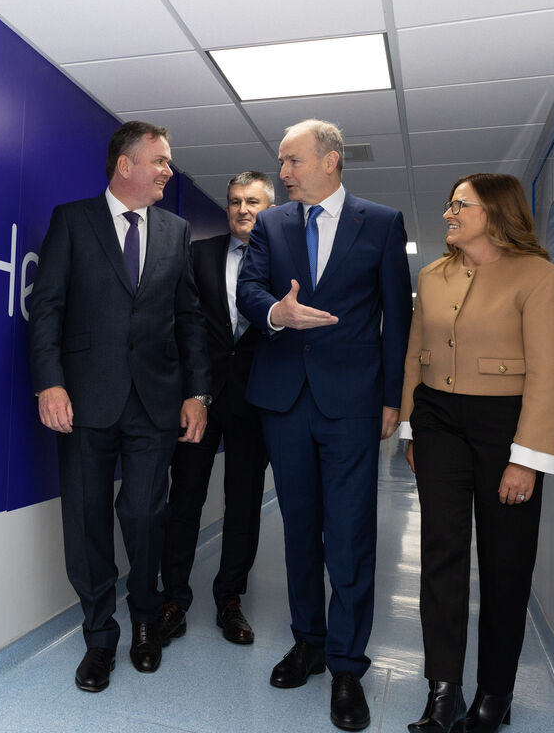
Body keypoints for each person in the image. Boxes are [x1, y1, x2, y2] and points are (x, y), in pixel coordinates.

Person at [237, 119, 412, 731]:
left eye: (293, 161)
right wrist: (275, 314)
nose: (282, 172)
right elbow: (249, 292)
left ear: (331, 160)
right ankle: (308, 640)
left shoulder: (382, 223)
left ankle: (346, 665)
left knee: (350, 536)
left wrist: (393, 399)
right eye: (281, 162)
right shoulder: (274, 225)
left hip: (352, 404)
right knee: (299, 530)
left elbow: (398, 314)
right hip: (285, 401)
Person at [28, 121, 212, 693]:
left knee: (142, 514)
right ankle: (99, 638)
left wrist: (197, 392)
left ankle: (145, 622)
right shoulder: (73, 221)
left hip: (154, 400)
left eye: (169, 160)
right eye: (159, 160)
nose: (167, 170)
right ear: (125, 165)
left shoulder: (176, 231)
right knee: (86, 518)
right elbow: (48, 308)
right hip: (84, 399)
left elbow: (189, 318)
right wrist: (48, 383)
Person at [401, 173, 554, 733]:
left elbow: (552, 374)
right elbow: (415, 356)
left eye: (460, 204)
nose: (449, 213)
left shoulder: (540, 277)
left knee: (506, 564)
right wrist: (409, 429)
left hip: (507, 427)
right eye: (449, 203)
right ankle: (443, 691)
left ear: (496, 212)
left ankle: (495, 694)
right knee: (440, 558)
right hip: (437, 423)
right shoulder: (431, 275)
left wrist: (527, 457)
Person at [157, 171, 274, 648]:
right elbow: (185, 328)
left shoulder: (286, 261)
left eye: (252, 202)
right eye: (234, 202)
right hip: (199, 399)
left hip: (257, 400)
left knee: (243, 505)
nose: (242, 209)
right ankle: (174, 599)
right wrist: (194, 392)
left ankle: (229, 598)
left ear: (270, 207)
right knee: (184, 499)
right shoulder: (198, 255)